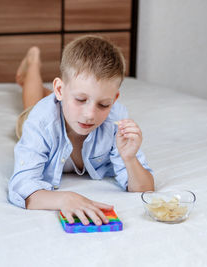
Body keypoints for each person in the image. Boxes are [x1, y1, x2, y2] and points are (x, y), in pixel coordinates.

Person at [8, 35, 154, 226]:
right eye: (80, 100)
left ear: (114, 99)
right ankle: (33, 60)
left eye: (103, 104)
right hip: (41, 115)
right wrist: (64, 199)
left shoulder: (116, 120)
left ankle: (60, 96)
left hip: (61, 102)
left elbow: (145, 188)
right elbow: (21, 188)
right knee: (33, 104)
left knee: (62, 103)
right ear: (59, 89)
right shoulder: (40, 122)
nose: (89, 115)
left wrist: (129, 159)